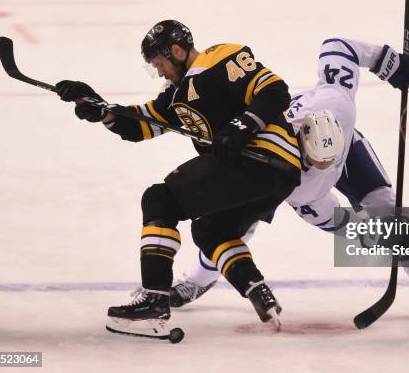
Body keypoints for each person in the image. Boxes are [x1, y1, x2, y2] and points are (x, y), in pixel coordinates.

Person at [170, 37, 409, 318]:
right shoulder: (297, 182)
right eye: (316, 161)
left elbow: (337, 46)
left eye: (327, 161)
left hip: (347, 148)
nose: (324, 167)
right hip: (282, 171)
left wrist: (388, 61)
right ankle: (196, 280)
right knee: (234, 226)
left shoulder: (336, 100)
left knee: (387, 209)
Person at [55, 20, 302, 337]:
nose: (159, 72)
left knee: (160, 200)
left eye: (160, 63)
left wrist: (242, 126)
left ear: (176, 50)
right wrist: (101, 109)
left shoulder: (220, 59)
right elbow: (138, 125)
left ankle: (154, 301)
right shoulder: (173, 97)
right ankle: (257, 290)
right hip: (273, 179)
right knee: (210, 230)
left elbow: (274, 91)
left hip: (263, 160)